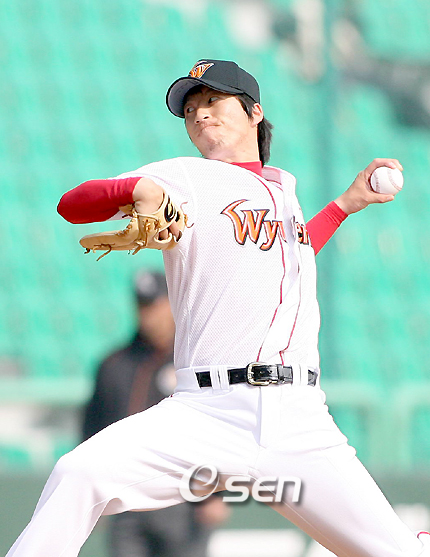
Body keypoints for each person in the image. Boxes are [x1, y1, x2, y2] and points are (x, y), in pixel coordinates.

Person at [7, 59, 430, 557]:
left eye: (213, 100)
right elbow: (73, 204)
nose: (200, 114)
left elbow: (291, 256)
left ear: (255, 112)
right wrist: (138, 189)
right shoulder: (185, 178)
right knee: (78, 473)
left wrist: (343, 206)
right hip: (206, 412)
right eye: (190, 110)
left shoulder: (284, 190)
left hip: (298, 422)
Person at [82, 270, 229, 557]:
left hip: (185, 501)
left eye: (156, 305)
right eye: (143, 306)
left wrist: (217, 492)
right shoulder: (114, 365)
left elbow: (216, 427)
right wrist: (93, 494)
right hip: (127, 502)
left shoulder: (197, 364)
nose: (150, 316)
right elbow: (92, 432)